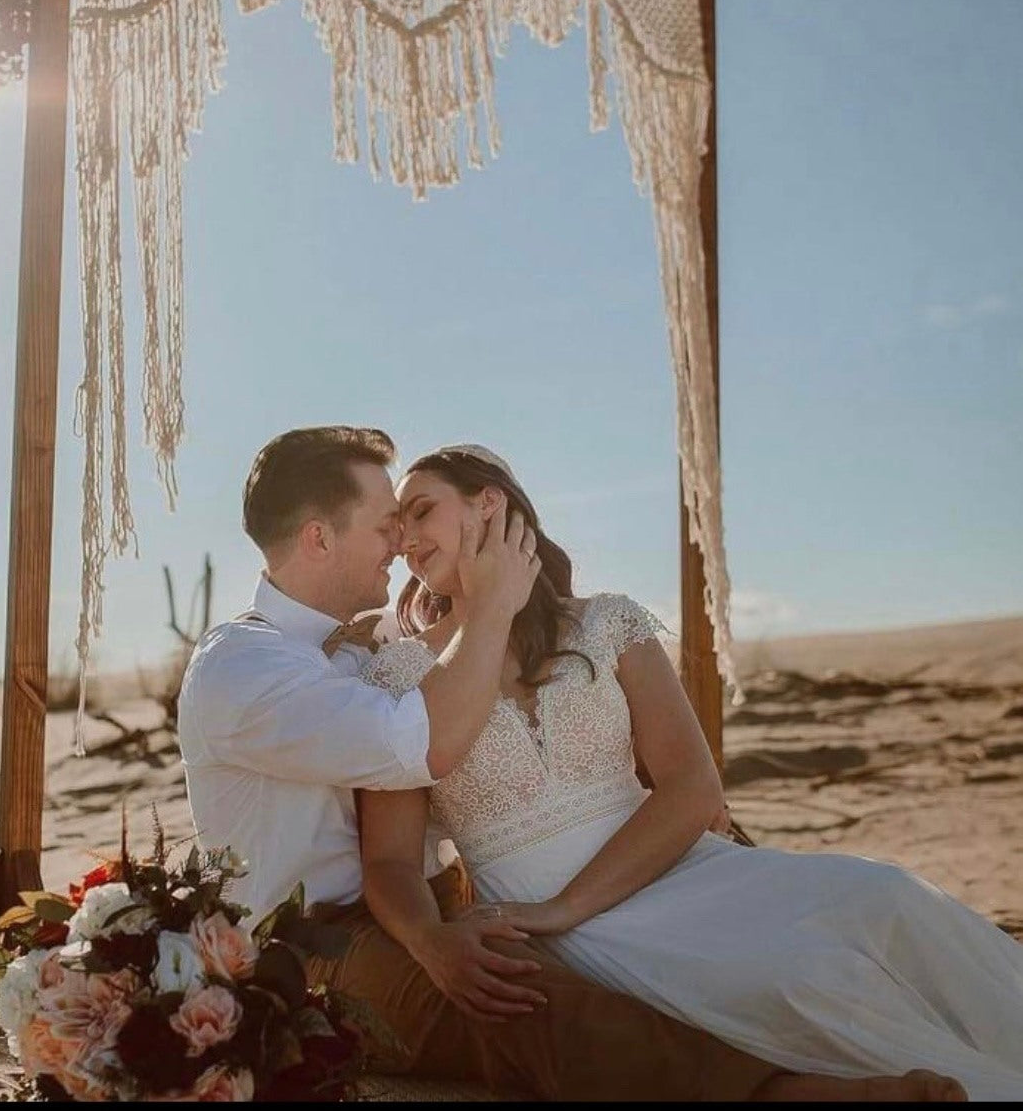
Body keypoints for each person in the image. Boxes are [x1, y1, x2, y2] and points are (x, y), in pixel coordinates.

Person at [178, 425, 965, 1102]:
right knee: (525, 1001)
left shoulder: (357, 650)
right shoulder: (246, 669)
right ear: (320, 538)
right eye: (386, 523)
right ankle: (790, 1096)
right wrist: (488, 607)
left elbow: (676, 778)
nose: (400, 543)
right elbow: (418, 746)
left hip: (435, 897)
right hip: (313, 938)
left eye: (412, 517)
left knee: (874, 901)